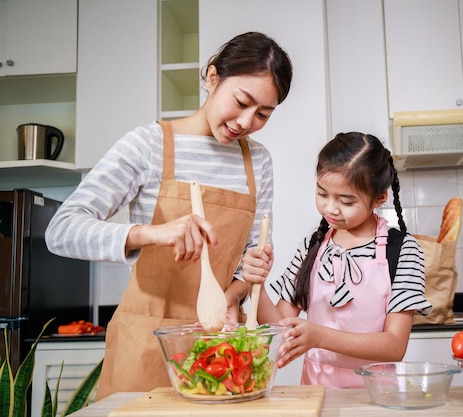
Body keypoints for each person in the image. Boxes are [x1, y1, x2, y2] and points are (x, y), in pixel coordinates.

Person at [44, 31, 293, 399]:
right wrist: (151, 233)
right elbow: (61, 231)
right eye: (241, 101)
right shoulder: (148, 145)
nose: (245, 121)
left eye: (263, 114)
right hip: (145, 344)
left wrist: (235, 292)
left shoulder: (258, 161)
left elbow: (249, 260)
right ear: (212, 78)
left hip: (220, 350)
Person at [241, 132, 432, 388]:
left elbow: (394, 346)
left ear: (379, 198)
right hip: (316, 391)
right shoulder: (313, 245)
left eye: (346, 201)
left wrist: (318, 336)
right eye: (322, 194)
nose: (331, 208)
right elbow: (280, 327)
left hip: (376, 395)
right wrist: (257, 285)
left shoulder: (402, 250)